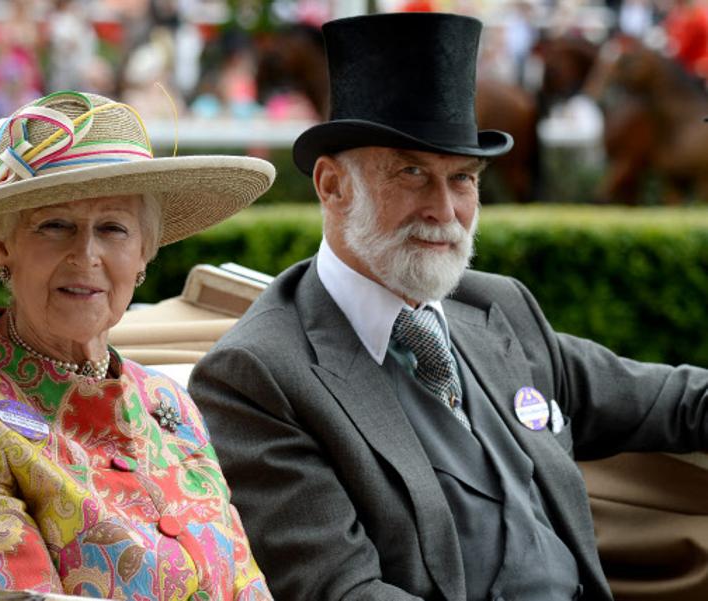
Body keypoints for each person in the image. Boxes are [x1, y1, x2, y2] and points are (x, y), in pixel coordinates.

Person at [188, 13, 708, 601]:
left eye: (462, 178)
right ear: (332, 186)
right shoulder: (257, 376)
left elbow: (675, 400)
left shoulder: (498, 309)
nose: (445, 209)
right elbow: (344, 593)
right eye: (412, 173)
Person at [0, 90, 275, 598]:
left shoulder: (168, 400)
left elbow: (246, 581)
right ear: (3, 248)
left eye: (113, 228)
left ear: (144, 254)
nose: (86, 254)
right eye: (55, 226)